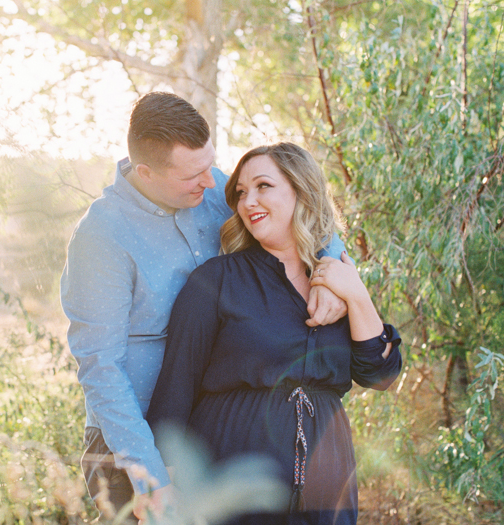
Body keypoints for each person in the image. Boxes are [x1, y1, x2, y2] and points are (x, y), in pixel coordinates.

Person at [60, 94, 349, 520]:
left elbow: (300, 209)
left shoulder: (210, 189)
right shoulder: (101, 237)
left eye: (210, 165)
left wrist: (332, 273)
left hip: (210, 428)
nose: (213, 182)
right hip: (132, 441)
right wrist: (150, 475)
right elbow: (101, 366)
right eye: (194, 174)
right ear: (146, 172)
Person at [146, 143, 403, 525]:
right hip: (233, 475)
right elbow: (174, 394)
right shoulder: (216, 281)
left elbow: (380, 374)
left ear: (301, 190)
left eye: (263, 185)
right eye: (241, 192)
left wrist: (355, 291)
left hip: (325, 477)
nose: (249, 201)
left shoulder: (335, 280)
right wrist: (160, 489)